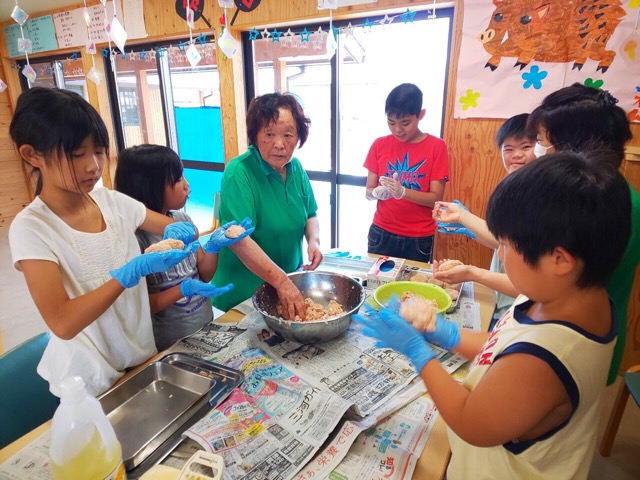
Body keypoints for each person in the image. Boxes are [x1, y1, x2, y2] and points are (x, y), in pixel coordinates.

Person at [356, 151, 631, 479]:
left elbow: (471, 422)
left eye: (506, 246)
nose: (500, 253)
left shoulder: (545, 358)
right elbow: (504, 343)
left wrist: (417, 350)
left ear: (560, 260)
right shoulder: (571, 293)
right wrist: (448, 334)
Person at [8, 87, 200, 397]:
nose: (93, 166)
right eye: (76, 154)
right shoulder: (32, 229)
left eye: (98, 151)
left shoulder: (111, 202)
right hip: (89, 381)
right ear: (33, 155)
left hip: (142, 358)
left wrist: (184, 233)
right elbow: (63, 322)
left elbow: (175, 227)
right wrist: (127, 275)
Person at [527, 83, 638, 385]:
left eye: (540, 141)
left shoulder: (591, 206)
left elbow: (546, 283)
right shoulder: (621, 195)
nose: (538, 151)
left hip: (570, 344)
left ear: (569, 148)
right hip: (586, 337)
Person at [114, 144, 254, 350]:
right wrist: (181, 290)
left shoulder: (182, 220)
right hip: (170, 345)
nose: (187, 185)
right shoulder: (136, 239)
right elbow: (144, 305)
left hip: (204, 329)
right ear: (152, 186)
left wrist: (214, 247)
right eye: (178, 179)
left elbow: (203, 275)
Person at [211, 92, 323, 319]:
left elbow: (310, 214)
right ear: (255, 135)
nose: (280, 144)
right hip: (241, 297)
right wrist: (281, 281)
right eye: (269, 134)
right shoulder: (239, 172)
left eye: (288, 135)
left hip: (285, 289)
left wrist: (314, 241)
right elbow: (238, 240)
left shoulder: (296, 168)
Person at [433, 114, 536, 329]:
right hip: (501, 304)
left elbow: (528, 283)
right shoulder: (514, 186)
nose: (516, 155)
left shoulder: (540, 196)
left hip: (520, 311)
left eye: (526, 147)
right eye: (508, 149)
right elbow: (502, 242)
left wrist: (464, 217)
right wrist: (469, 227)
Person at [364, 83, 449, 263]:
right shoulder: (380, 144)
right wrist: (378, 192)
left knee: (411, 289)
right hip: (381, 232)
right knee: (377, 287)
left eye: (405, 123)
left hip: (418, 237)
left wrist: (402, 192)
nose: (397, 130)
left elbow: (435, 198)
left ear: (421, 115)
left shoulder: (436, 146)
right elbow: (368, 192)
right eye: (391, 122)